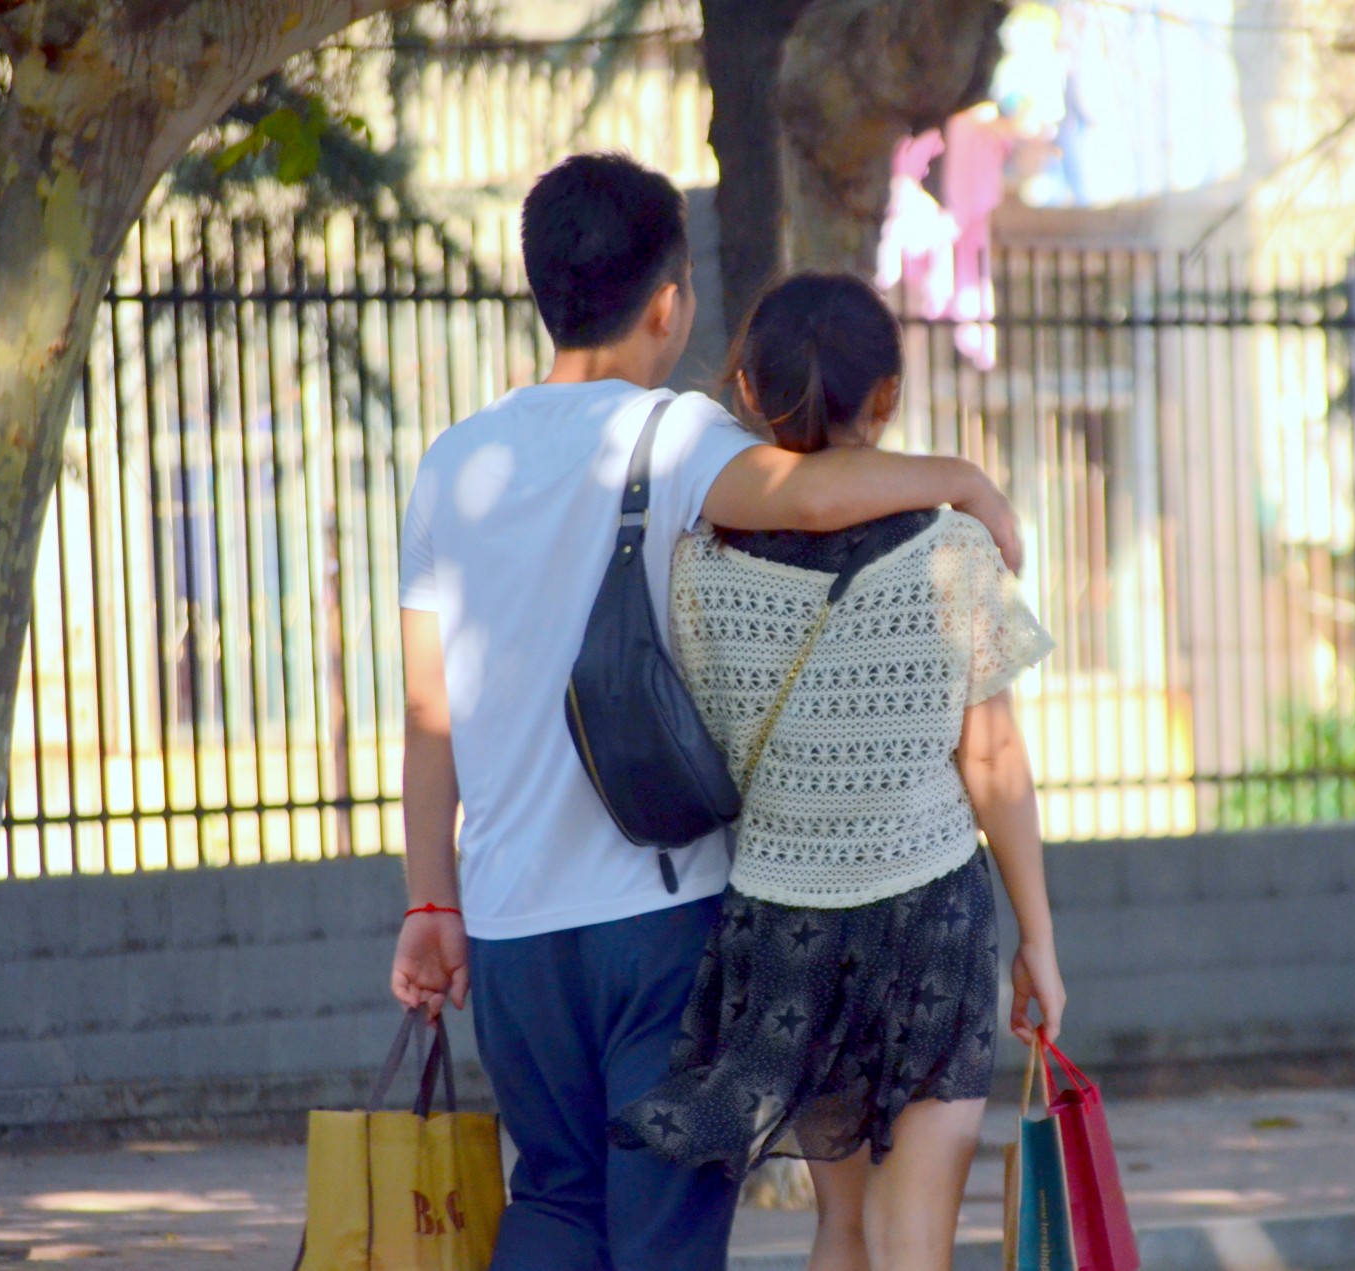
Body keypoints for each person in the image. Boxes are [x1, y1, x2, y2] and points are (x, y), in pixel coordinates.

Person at [390, 154, 1024, 1271]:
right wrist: (965, 479)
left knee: (553, 1203)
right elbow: (818, 490)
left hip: (507, 922)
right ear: (670, 301)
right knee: (665, 1230)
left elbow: (428, 710)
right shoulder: (670, 437)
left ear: (542, 285)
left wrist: (426, 899)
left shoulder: (452, 465)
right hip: (658, 913)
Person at [610, 273, 1064, 1271]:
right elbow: (991, 760)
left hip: (787, 930)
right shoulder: (954, 548)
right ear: (889, 397)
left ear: (746, 389)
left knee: (844, 1226)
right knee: (916, 1242)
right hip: (931, 921)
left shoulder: (701, 564)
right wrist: (1038, 938)